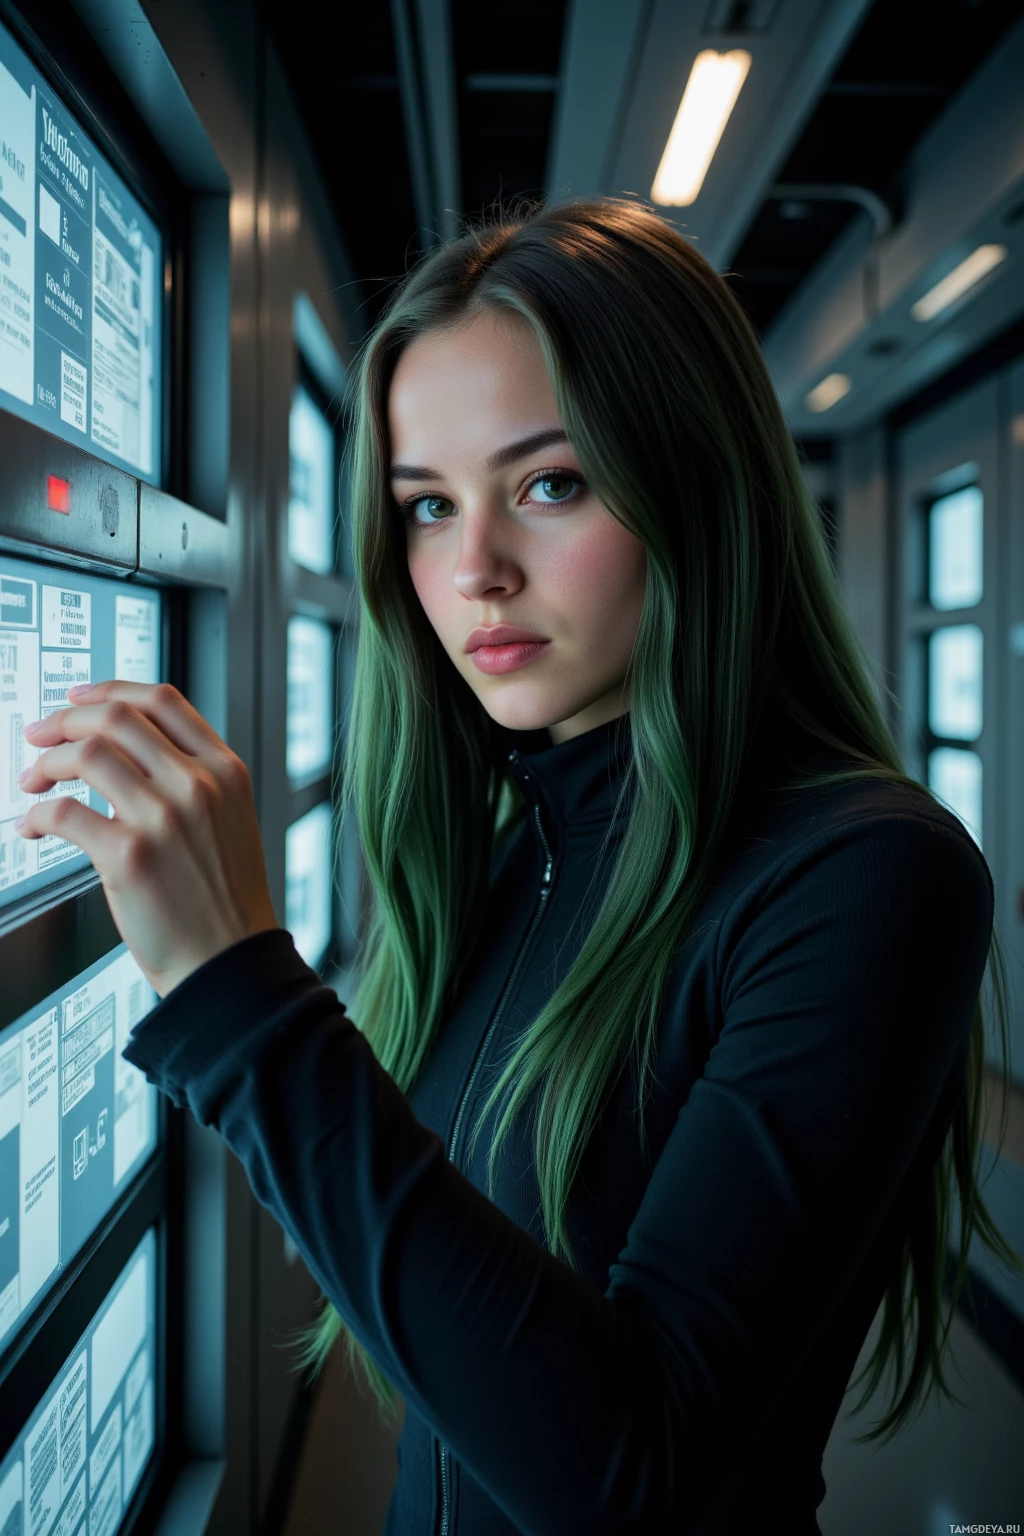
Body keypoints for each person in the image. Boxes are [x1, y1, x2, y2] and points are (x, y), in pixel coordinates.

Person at [14, 197, 1020, 1535]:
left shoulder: (867, 876)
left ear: (696, 480)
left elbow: (632, 1474)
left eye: (551, 484)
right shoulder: (509, 846)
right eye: (426, 507)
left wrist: (239, 991)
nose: (474, 568)